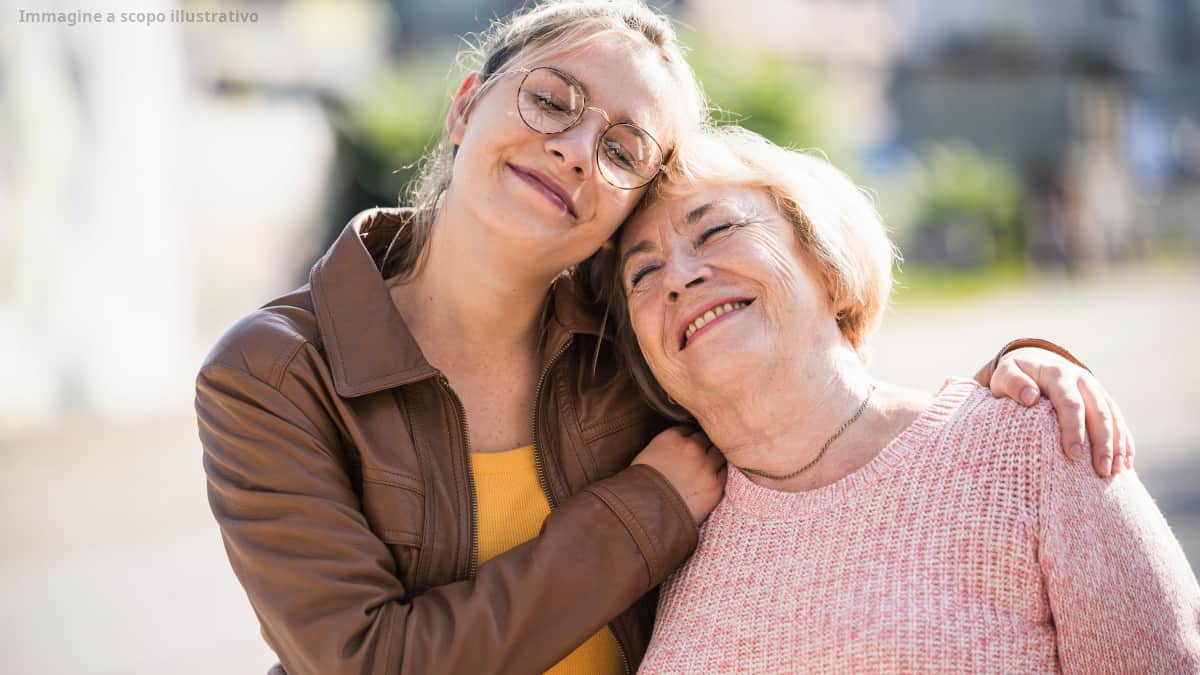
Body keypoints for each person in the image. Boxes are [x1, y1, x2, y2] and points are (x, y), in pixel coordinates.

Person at [195, 2, 1132, 673]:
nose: (575, 148)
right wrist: (644, 511)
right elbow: (367, 662)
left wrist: (1019, 380)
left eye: (621, 149)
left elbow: (822, 403)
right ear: (466, 104)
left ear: (620, 214)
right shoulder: (275, 373)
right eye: (553, 99)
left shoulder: (637, 343)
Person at [600, 126, 1200, 673]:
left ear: (824, 258)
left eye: (716, 229)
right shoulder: (661, 528)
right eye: (642, 274)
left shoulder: (1035, 440)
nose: (678, 275)